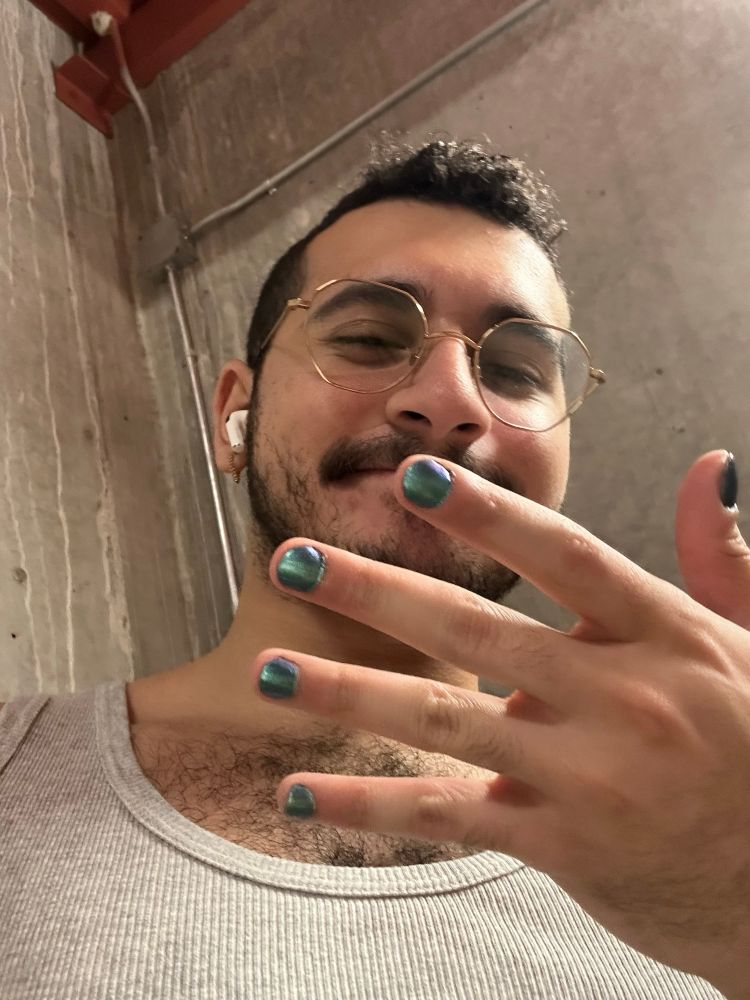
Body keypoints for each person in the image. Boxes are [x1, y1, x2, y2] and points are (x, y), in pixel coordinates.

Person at [1, 139, 744, 999]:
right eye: (368, 338)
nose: (452, 400)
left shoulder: (704, 818)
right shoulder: (17, 769)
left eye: (512, 370)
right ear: (235, 413)